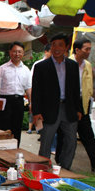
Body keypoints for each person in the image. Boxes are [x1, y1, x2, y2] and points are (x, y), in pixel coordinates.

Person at [32, 33, 82, 170]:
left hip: (69, 108)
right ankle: (42, 169)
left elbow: (76, 89)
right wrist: (36, 112)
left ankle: (65, 168)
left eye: (60, 45)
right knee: (46, 142)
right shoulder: (41, 67)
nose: (56, 48)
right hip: (49, 110)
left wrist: (79, 109)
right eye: (53, 45)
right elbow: (36, 91)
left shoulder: (72, 66)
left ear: (66, 47)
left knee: (71, 141)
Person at [59, 38, 95, 172]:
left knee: (87, 133)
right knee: (66, 134)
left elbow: (88, 84)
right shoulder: (67, 63)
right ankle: (61, 162)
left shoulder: (88, 65)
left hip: (83, 102)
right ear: (77, 50)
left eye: (90, 49)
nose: (89, 52)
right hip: (68, 102)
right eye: (86, 49)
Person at [0, 41, 32, 147]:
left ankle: (15, 150)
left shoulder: (26, 70)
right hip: (4, 101)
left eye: (19, 52)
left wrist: (32, 103)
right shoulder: (2, 68)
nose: (17, 54)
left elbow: (28, 88)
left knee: (16, 128)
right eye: (14, 51)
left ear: (23, 53)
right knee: (2, 127)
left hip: (19, 101)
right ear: (10, 52)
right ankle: (0, 150)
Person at [28, 44, 51, 134]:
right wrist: (31, 102)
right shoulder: (38, 65)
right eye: (51, 52)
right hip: (41, 100)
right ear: (46, 52)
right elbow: (32, 84)